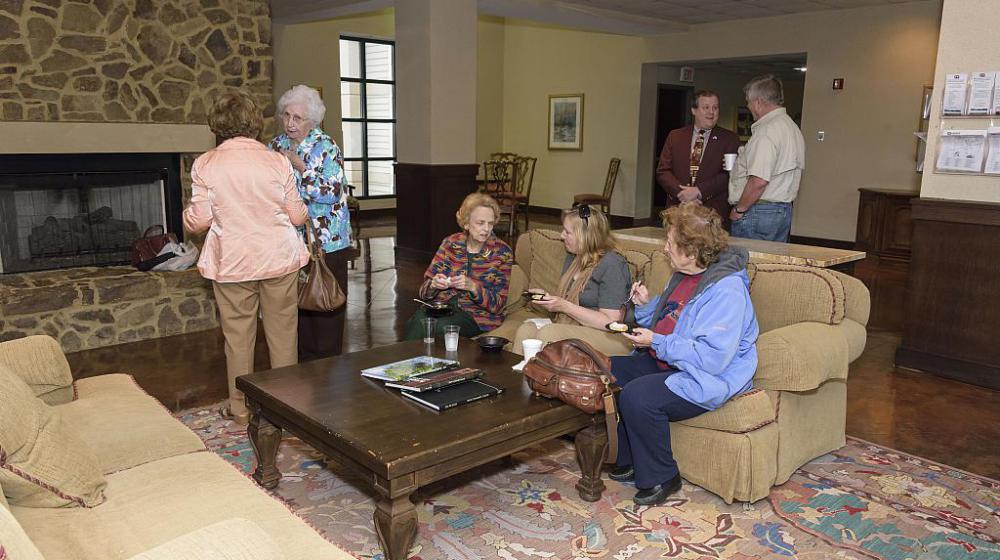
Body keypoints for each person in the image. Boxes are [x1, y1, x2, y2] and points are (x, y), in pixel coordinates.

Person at [607, 202, 758, 506]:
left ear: (692, 251)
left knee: (638, 395)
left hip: (707, 376)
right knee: (606, 371)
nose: (664, 249)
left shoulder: (726, 289)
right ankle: (629, 457)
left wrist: (656, 343)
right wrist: (648, 305)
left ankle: (664, 476)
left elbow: (713, 358)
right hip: (673, 361)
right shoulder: (685, 274)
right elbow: (670, 320)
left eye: (670, 243)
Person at [183, 92, 309, 425]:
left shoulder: (206, 164)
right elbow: (297, 217)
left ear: (218, 124)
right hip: (278, 258)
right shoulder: (277, 161)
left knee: (238, 338)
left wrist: (186, 219)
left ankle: (240, 409)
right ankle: (287, 408)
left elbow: (199, 220)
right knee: (283, 335)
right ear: (253, 123)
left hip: (233, 262)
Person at [269, 85, 355, 361]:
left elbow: (332, 193)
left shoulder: (326, 147)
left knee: (325, 304)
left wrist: (300, 167)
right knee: (298, 305)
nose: (290, 123)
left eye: (298, 118)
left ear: (313, 121)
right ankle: (303, 369)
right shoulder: (275, 145)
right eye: (286, 115)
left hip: (326, 242)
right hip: (289, 241)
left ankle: (328, 371)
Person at [512, 205, 631, 355]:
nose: (562, 236)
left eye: (567, 232)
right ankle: (519, 378)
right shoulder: (575, 257)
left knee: (549, 334)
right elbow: (570, 299)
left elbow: (611, 323)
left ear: (585, 236)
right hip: (577, 325)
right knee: (525, 331)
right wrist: (549, 299)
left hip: (612, 336)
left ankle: (539, 378)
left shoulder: (612, 264)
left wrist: (564, 306)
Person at [405, 193, 513, 338]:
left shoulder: (502, 252)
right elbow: (423, 292)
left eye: (491, 223)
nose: (487, 229)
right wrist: (433, 285)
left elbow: (498, 305)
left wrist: (473, 287)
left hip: (476, 317)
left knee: (433, 327)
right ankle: (416, 360)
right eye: (480, 223)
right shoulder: (450, 244)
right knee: (417, 321)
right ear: (467, 223)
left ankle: (416, 360)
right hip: (442, 308)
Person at [728, 74, 806, 242]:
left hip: (758, 211)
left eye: (748, 102)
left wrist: (740, 209)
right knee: (769, 266)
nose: (748, 106)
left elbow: (759, 181)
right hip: (782, 211)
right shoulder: (791, 127)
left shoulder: (766, 132)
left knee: (747, 264)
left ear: (758, 102)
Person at [656, 90, 741, 228]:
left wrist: (699, 191)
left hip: (711, 213)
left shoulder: (729, 139)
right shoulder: (676, 136)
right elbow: (663, 171)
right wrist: (682, 194)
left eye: (715, 107)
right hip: (678, 210)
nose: (711, 112)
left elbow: (728, 175)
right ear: (693, 110)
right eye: (706, 107)